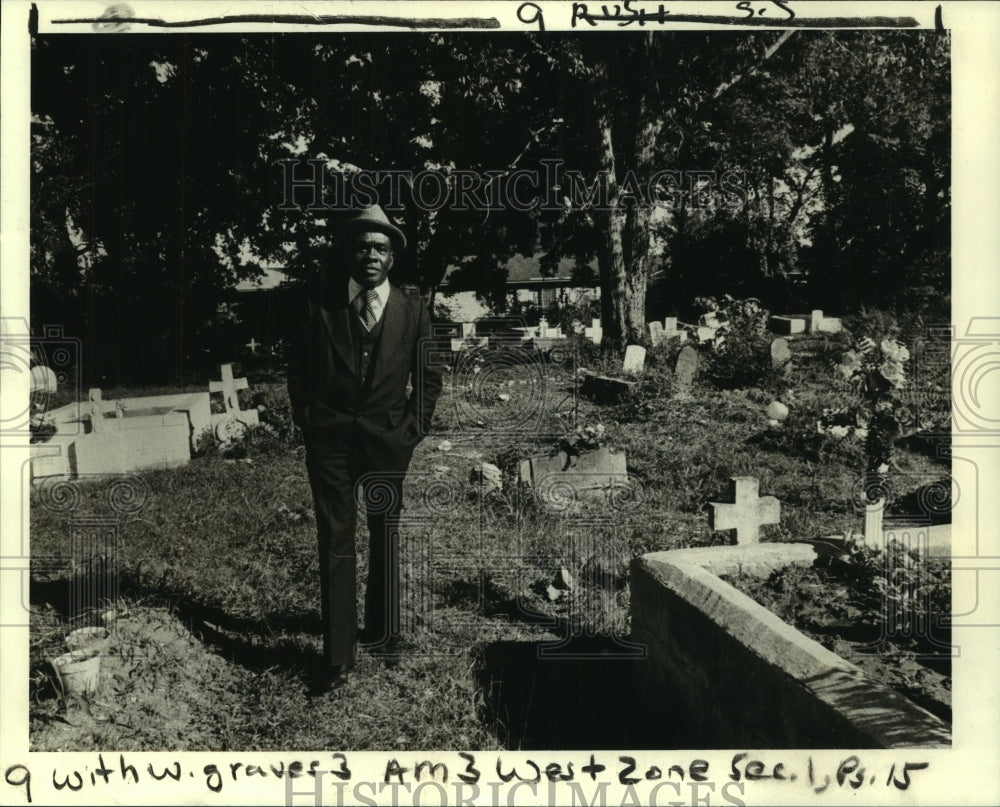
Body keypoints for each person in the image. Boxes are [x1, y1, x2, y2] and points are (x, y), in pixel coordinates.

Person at [287, 204, 443, 693]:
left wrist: (410, 431)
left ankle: (382, 630)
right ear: (349, 252)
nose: (371, 254)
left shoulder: (412, 308)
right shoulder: (321, 303)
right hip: (329, 442)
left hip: (387, 444)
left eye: (380, 247)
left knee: (385, 534)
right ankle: (338, 656)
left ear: (391, 257)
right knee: (335, 538)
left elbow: (430, 376)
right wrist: (310, 425)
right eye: (362, 245)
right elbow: (298, 371)